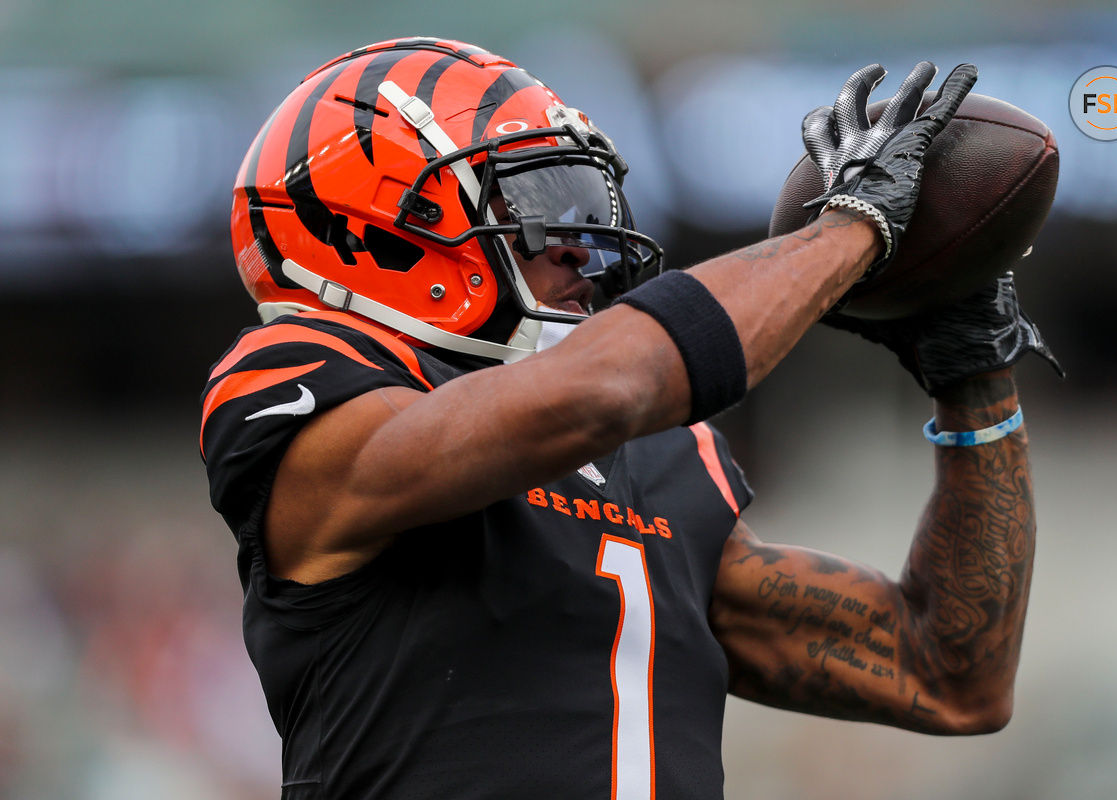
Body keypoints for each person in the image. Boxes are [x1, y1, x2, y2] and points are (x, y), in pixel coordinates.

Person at [201, 37, 1058, 799]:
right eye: (529, 203)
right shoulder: (300, 383)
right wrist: (853, 229)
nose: (575, 243)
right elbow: (604, 389)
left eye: (580, 201)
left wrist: (975, 374)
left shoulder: (648, 460)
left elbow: (946, 672)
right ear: (385, 228)